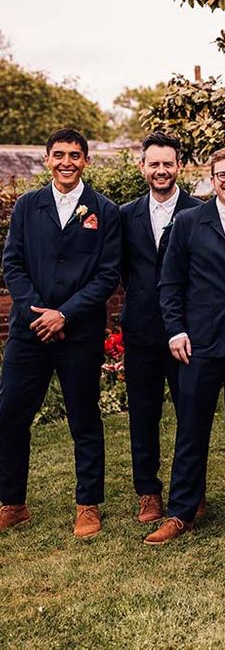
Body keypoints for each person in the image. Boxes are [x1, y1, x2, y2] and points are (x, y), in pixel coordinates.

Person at [144, 146, 225, 545]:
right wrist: (176, 330)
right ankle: (181, 511)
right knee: (191, 429)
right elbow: (170, 284)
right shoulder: (188, 223)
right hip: (199, 342)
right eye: (223, 175)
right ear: (212, 178)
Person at [0, 128, 121, 538]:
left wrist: (65, 314)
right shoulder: (27, 206)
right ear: (46, 159)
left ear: (86, 160)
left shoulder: (104, 211)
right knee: (10, 415)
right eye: (59, 155)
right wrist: (37, 312)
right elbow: (12, 263)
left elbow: (107, 276)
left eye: (74, 155)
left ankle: (88, 505)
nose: (66, 162)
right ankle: (13, 503)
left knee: (84, 420)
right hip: (28, 332)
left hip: (79, 334)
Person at [120, 132, 202, 524]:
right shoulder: (124, 215)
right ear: (142, 167)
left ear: (179, 167)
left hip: (187, 333)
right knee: (143, 414)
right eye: (154, 163)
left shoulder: (200, 211)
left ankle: (192, 492)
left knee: (192, 414)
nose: (161, 170)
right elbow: (121, 271)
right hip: (140, 332)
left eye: (168, 163)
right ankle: (148, 493)